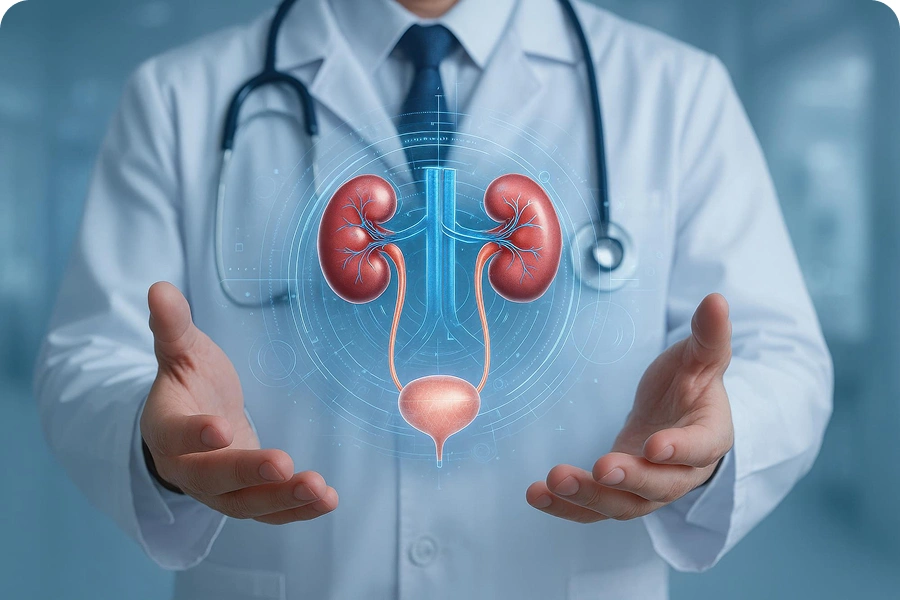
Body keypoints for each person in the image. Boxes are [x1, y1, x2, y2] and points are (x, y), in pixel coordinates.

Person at [34, 0, 833, 598]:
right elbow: (88, 356)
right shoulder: (178, 96)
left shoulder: (676, 92)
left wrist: (716, 434)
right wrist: (155, 438)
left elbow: (781, 359)